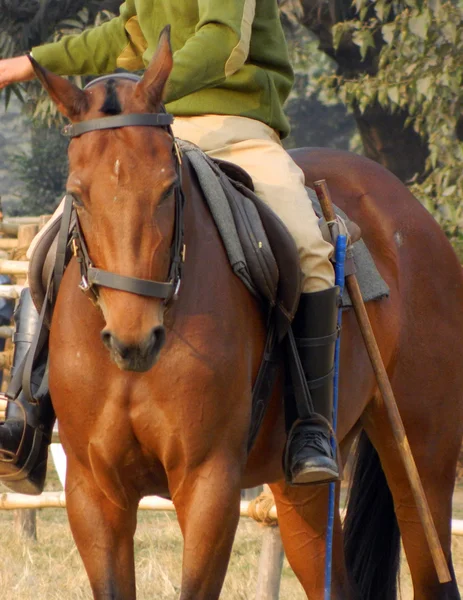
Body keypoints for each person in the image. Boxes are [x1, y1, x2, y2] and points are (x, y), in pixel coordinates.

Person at [0, 0, 340, 493]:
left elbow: (224, 43)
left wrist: (149, 92)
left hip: (237, 125)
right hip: (153, 127)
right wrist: (29, 63)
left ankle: (310, 427)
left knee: (308, 248)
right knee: (54, 245)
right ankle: (26, 418)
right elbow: (125, 35)